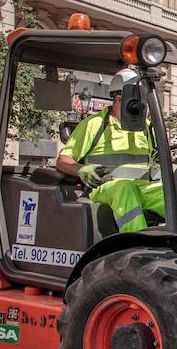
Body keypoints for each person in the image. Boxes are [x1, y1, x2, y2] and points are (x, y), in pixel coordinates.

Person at [55, 67, 163, 234]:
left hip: (142, 189)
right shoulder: (95, 124)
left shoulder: (147, 127)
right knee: (124, 187)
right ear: (116, 98)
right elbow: (63, 160)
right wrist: (81, 169)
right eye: (128, 101)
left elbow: (155, 160)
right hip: (105, 188)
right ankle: (137, 245)